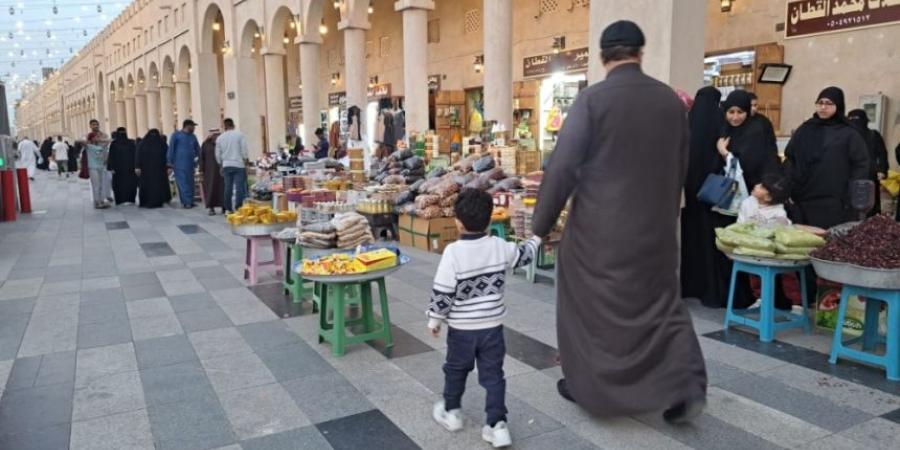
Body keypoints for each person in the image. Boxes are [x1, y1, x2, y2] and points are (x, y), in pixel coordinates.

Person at [530, 21, 707, 423]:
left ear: (602, 56)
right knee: (662, 304)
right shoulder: (670, 102)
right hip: (657, 230)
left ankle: (588, 384)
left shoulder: (593, 101)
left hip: (599, 234)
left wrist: (539, 227)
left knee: (586, 303)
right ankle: (685, 384)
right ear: (640, 54)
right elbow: (681, 166)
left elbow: (563, 169)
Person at [428, 189, 541, 448]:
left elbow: (443, 292)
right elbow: (523, 255)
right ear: (490, 220)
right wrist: (536, 238)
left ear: (457, 222)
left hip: (461, 330)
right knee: (493, 376)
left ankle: (452, 411)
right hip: (492, 329)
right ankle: (497, 425)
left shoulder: (453, 253)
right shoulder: (500, 246)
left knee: (456, 369)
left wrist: (434, 320)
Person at [783, 87, 869, 229]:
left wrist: (851, 195)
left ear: (838, 106)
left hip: (834, 200)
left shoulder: (849, 133)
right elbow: (791, 158)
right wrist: (787, 186)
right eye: (820, 103)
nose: (823, 107)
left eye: (829, 103)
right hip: (803, 197)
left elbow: (860, 165)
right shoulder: (805, 129)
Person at [680, 86, 724, 304]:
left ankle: (689, 286)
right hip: (712, 194)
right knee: (711, 243)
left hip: (689, 194)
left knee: (691, 241)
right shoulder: (719, 122)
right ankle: (712, 291)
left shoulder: (688, 123)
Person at [717, 90, 781, 190]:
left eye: (740, 112)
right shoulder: (724, 129)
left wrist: (724, 152)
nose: (735, 117)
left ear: (747, 112)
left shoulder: (754, 131)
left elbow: (747, 165)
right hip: (729, 189)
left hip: (753, 189)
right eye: (731, 112)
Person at [847, 109, 889, 215]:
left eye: (857, 120)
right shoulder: (845, 136)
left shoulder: (873, 135)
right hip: (849, 176)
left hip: (870, 176)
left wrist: (882, 170)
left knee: (871, 208)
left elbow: (882, 154)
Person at [216, 118, 249, 214]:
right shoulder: (239, 135)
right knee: (239, 188)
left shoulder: (220, 138)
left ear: (224, 126)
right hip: (239, 165)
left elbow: (217, 154)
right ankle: (238, 207)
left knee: (228, 187)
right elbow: (244, 150)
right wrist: (246, 162)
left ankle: (228, 209)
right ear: (233, 125)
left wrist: (220, 165)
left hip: (226, 165)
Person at [168, 119, 201, 208]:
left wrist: (200, 159)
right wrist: (169, 163)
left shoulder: (193, 136)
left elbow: (198, 149)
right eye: (193, 126)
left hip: (191, 164)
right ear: (187, 126)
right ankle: (186, 202)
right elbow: (171, 149)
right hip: (179, 164)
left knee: (190, 183)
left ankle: (191, 201)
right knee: (183, 183)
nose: (194, 128)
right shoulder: (176, 135)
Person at [135, 129, 172, 208]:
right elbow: (138, 156)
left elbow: (168, 156)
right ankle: (146, 201)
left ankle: (159, 201)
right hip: (146, 170)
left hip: (159, 170)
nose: (153, 136)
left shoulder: (162, 144)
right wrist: (137, 167)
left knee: (158, 185)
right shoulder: (142, 144)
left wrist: (169, 166)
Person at [107, 128, 138, 205]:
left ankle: (130, 199)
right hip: (118, 169)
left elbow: (135, 155)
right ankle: (120, 199)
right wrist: (111, 167)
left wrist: (137, 166)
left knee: (130, 184)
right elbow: (111, 156)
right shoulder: (114, 144)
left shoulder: (131, 142)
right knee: (119, 185)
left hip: (129, 168)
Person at [200, 128, 224, 215]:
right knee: (210, 189)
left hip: (221, 170)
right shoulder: (206, 144)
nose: (216, 136)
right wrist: (201, 171)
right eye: (214, 135)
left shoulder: (222, 143)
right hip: (209, 172)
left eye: (218, 134)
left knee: (222, 189)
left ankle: (224, 207)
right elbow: (202, 158)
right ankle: (211, 208)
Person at [85, 131, 112, 209]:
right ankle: (96, 202)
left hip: (101, 167)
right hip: (93, 168)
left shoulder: (102, 146)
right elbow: (80, 141)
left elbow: (110, 140)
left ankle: (101, 201)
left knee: (101, 185)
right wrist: (90, 139)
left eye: (98, 137)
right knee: (96, 185)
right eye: (95, 137)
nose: (97, 138)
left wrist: (100, 140)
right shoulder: (88, 146)